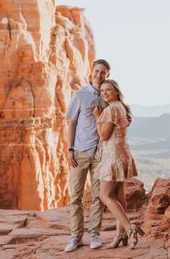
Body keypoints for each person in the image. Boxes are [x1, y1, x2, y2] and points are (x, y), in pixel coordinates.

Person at [64, 59, 111, 253]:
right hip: (80, 152)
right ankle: (75, 236)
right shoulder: (80, 95)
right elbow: (72, 123)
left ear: (107, 75)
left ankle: (94, 234)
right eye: (97, 71)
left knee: (99, 196)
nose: (99, 75)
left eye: (103, 72)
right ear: (91, 73)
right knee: (75, 196)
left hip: (101, 154)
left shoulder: (108, 96)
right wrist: (69, 149)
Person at [93, 79, 145, 249]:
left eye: (108, 90)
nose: (105, 93)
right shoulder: (122, 107)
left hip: (113, 156)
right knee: (119, 196)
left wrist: (97, 117)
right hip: (122, 153)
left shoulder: (110, 110)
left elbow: (103, 136)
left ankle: (130, 228)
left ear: (116, 91)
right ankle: (120, 235)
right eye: (102, 91)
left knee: (105, 195)